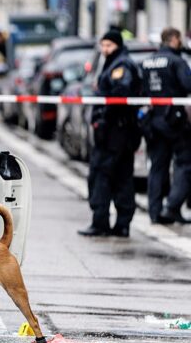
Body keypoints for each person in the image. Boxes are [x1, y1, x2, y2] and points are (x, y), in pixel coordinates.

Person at [78, 31, 141, 237]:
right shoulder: (114, 63)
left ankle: (102, 222)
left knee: (102, 176)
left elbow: (120, 94)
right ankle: (120, 224)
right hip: (118, 132)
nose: (105, 50)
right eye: (103, 45)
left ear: (118, 46)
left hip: (115, 133)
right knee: (121, 177)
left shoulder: (120, 66)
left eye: (109, 46)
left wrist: (103, 120)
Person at [141, 28, 191, 224]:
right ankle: (172, 206)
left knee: (157, 167)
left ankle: (155, 212)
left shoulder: (147, 61)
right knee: (185, 163)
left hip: (153, 120)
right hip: (174, 120)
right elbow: (188, 85)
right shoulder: (177, 61)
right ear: (175, 39)